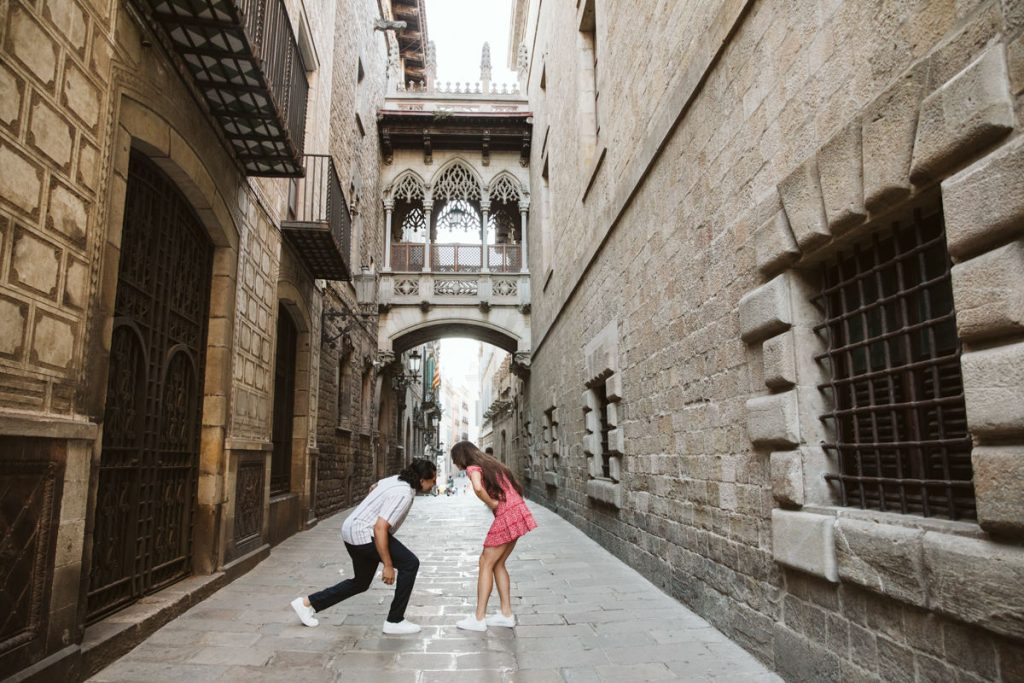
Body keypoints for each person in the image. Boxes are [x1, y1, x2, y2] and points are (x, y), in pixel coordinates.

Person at [290, 458, 437, 635]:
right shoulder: (404, 493)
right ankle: (395, 620)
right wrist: (388, 565)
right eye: (432, 480)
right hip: (365, 534)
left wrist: (373, 507)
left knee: (361, 582)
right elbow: (380, 528)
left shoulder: (395, 479)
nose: (434, 484)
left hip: (350, 529)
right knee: (410, 563)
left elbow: (373, 487)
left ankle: (307, 604)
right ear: (421, 480)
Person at [451, 441, 537, 631]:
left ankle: (479, 618)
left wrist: (491, 503)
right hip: (518, 511)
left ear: (461, 457)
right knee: (498, 563)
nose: (455, 463)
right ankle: (506, 614)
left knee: (485, 562)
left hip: (506, 514)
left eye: (455, 459)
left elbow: (477, 488)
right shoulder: (492, 464)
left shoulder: (473, 468)